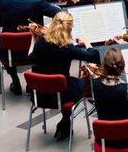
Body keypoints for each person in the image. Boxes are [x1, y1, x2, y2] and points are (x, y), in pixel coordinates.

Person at [28, 11, 99, 140]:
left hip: (39, 96)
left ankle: (65, 122)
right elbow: (93, 56)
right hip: (62, 95)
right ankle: (65, 120)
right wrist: (87, 42)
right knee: (81, 83)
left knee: (62, 84)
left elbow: (30, 57)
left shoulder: (40, 44)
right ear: (69, 28)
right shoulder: (68, 48)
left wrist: (34, 37)